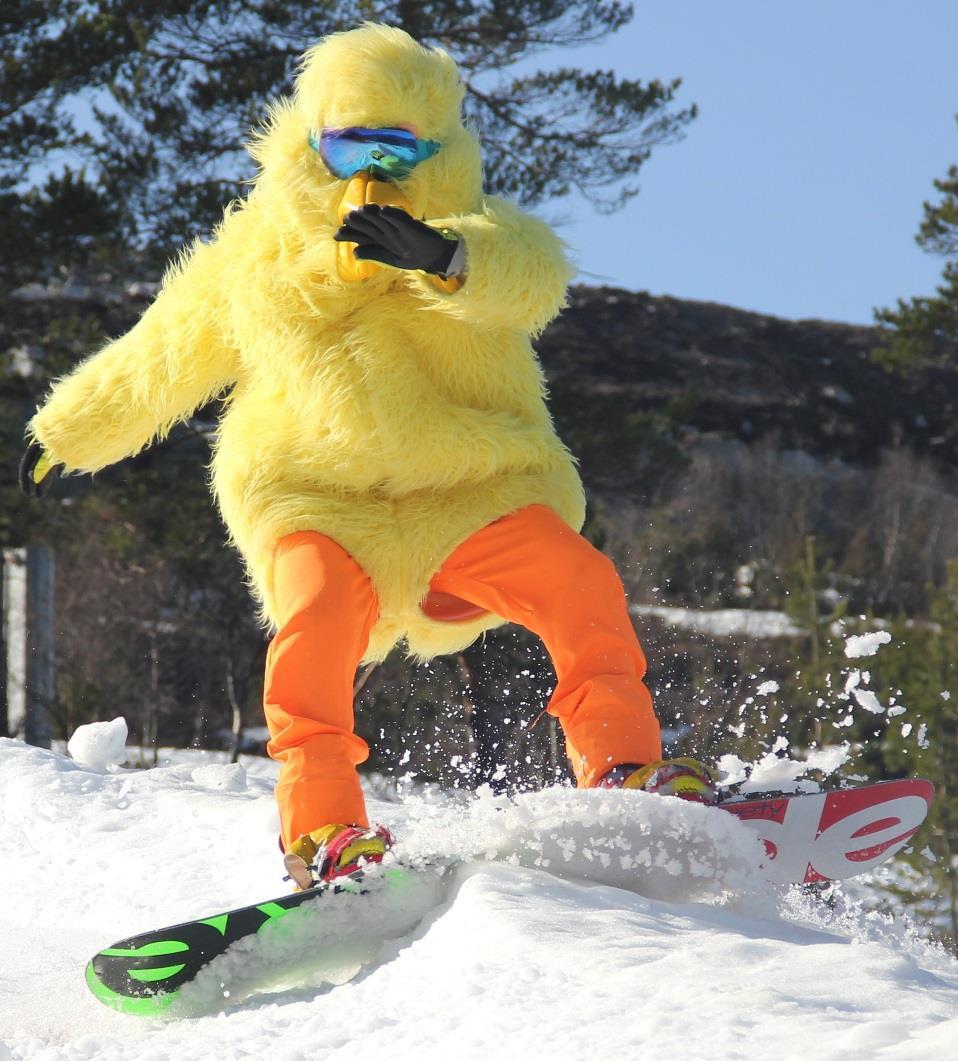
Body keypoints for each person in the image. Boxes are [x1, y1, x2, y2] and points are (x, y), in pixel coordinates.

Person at [20, 24, 716, 891]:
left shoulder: (479, 230)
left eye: (398, 146)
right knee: (310, 628)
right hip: (315, 497)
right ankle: (322, 831)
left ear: (437, 148)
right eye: (353, 142)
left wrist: (442, 257)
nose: (374, 169)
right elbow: (158, 357)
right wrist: (65, 433)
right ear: (312, 141)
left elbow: (533, 278)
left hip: (467, 493)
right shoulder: (251, 264)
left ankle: (621, 772)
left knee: (577, 581)